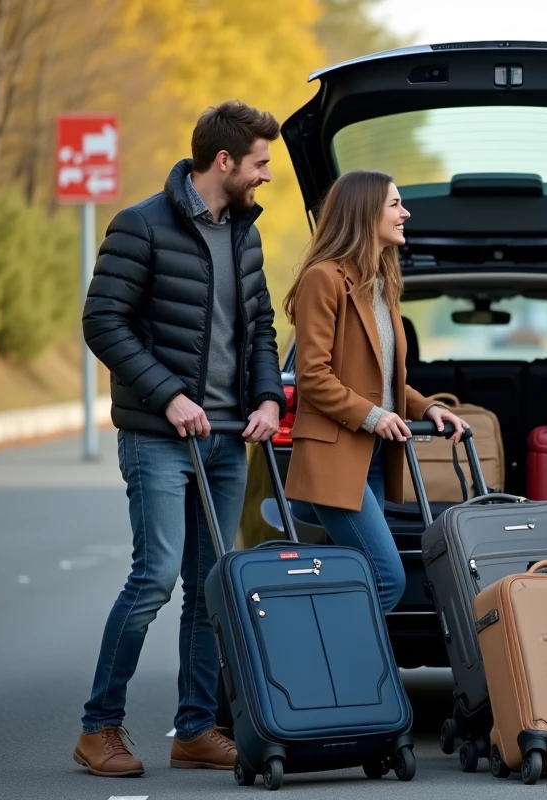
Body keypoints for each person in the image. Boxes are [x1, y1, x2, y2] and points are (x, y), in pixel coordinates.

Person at [74, 100, 287, 778]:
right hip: (160, 438)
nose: (267, 176)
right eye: (260, 163)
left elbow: (260, 327)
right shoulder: (141, 225)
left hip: (229, 438)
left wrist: (268, 397)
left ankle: (195, 729)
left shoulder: (245, 234)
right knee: (156, 578)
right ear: (224, 160)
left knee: (211, 585)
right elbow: (103, 323)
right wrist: (169, 395)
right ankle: (98, 728)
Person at [281, 169, 467, 614]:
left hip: (374, 456)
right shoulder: (323, 278)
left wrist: (428, 407)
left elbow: (383, 380)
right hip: (334, 457)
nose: (406, 213)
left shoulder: (381, 284)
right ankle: (339, 658)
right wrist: (374, 416)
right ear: (366, 213)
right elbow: (313, 376)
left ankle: (340, 656)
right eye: (395, 204)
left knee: (361, 577)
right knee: (385, 578)